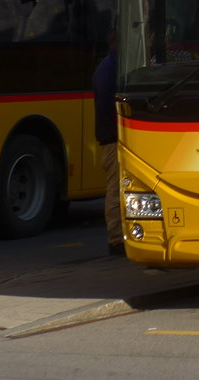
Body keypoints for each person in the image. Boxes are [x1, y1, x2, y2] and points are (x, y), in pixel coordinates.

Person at [92, 33, 123, 256]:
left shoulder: (106, 66)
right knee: (115, 188)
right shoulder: (112, 68)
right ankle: (115, 238)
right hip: (113, 136)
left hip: (109, 135)